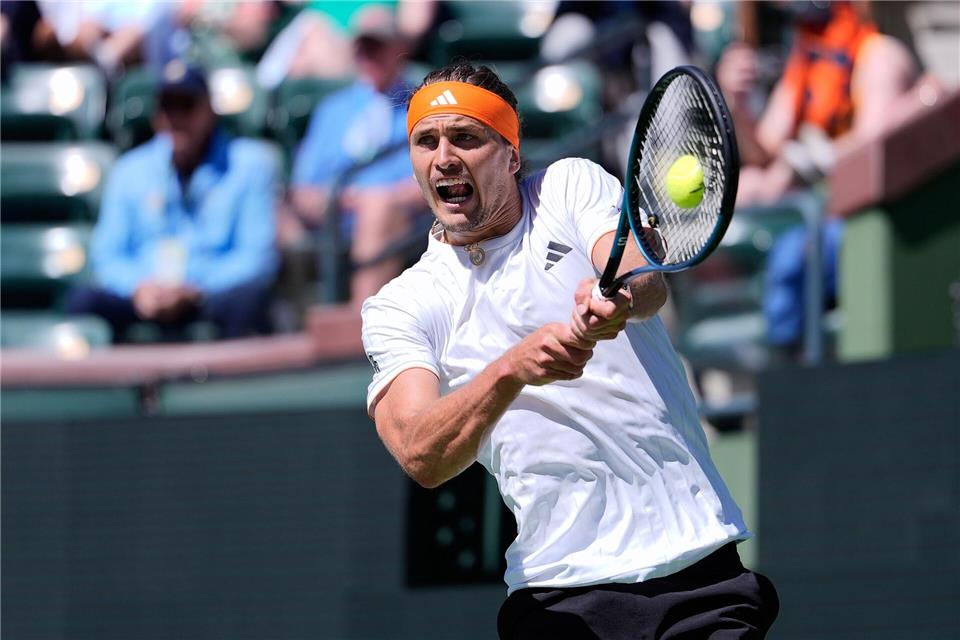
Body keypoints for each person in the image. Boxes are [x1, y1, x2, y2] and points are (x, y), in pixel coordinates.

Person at [360, 62, 779, 639]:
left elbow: (643, 279)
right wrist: (510, 370)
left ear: (510, 153)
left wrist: (620, 301)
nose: (444, 157)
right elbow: (419, 452)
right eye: (426, 141)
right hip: (559, 599)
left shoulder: (569, 185)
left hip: (695, 565)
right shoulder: (401, 305)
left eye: (466, 137)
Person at [716, 0, 929, 352]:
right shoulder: (808, 55)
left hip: (874, 224)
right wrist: (736, 103)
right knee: (744, 195)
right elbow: (764, 154)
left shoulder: (879, 56)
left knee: (791, 260)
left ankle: (791, 377)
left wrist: (801, 164)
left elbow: (868, 167)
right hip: (819, 212)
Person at [66, 60, 279, 341]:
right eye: (168, 107)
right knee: (83, 302)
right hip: (145, 295)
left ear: (209, 111)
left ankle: (232, 386)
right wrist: (140, 288)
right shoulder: (129, 170)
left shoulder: (249, 165)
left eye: (187, 106)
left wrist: (194, 288)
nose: (176, 118)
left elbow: (257, 257)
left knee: (249, 300)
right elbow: (107, 255)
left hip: (208, 295)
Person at [284, 5, 427, 307]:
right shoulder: (333, 110)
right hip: (336, 211)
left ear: (398, 49)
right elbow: (303, 186)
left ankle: (360, 323)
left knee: (379, 206)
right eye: (363, 46)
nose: (370, 55)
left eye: (378, 46)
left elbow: (428, 178)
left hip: (401, 214)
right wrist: (340, 200)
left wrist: (376, 200)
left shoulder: (420, 106)